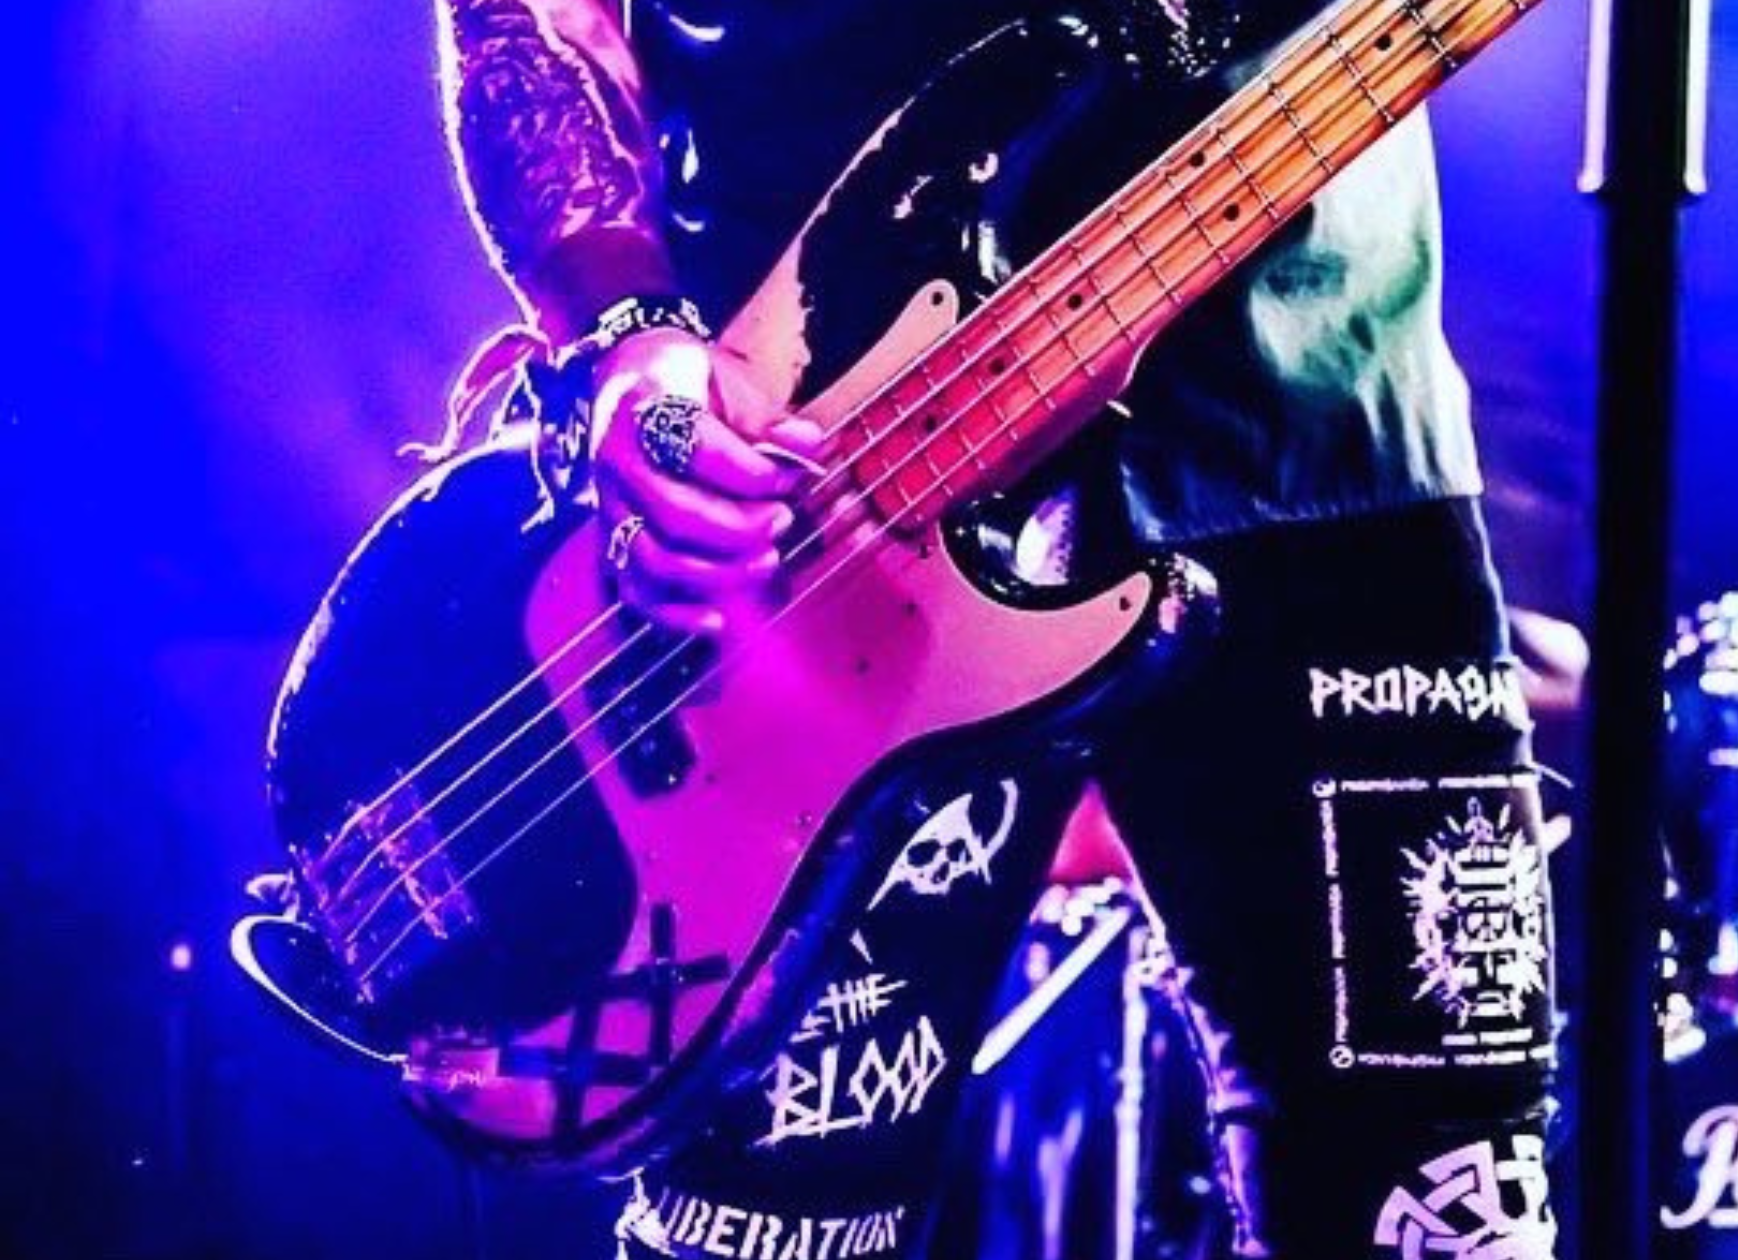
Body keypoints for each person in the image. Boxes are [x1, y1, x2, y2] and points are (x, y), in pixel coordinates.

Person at [435, 1, 1559, 1256]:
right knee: (764, 1230)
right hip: (814, 468)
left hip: (1319, 423)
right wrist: (617, 329)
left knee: (1440, 1210)